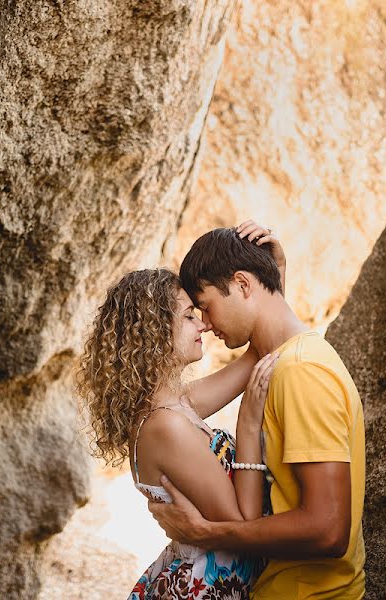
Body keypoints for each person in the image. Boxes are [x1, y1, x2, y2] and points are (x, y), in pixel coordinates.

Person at [148, 224, 366, 599]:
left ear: (243, 285)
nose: (206, 323)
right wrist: (276, 279)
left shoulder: (300, 373)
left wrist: (204, 532)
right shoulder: (288, 359)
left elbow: (329, 530)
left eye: (206, 306)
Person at [76, 221, 285, 599]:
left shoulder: (174, 406)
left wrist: (271, 276)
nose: (204, 323)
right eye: (190, 315)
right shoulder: (165, 426)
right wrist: (249, 423)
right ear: (155, 332)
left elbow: (260, 352)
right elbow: (245, 526)